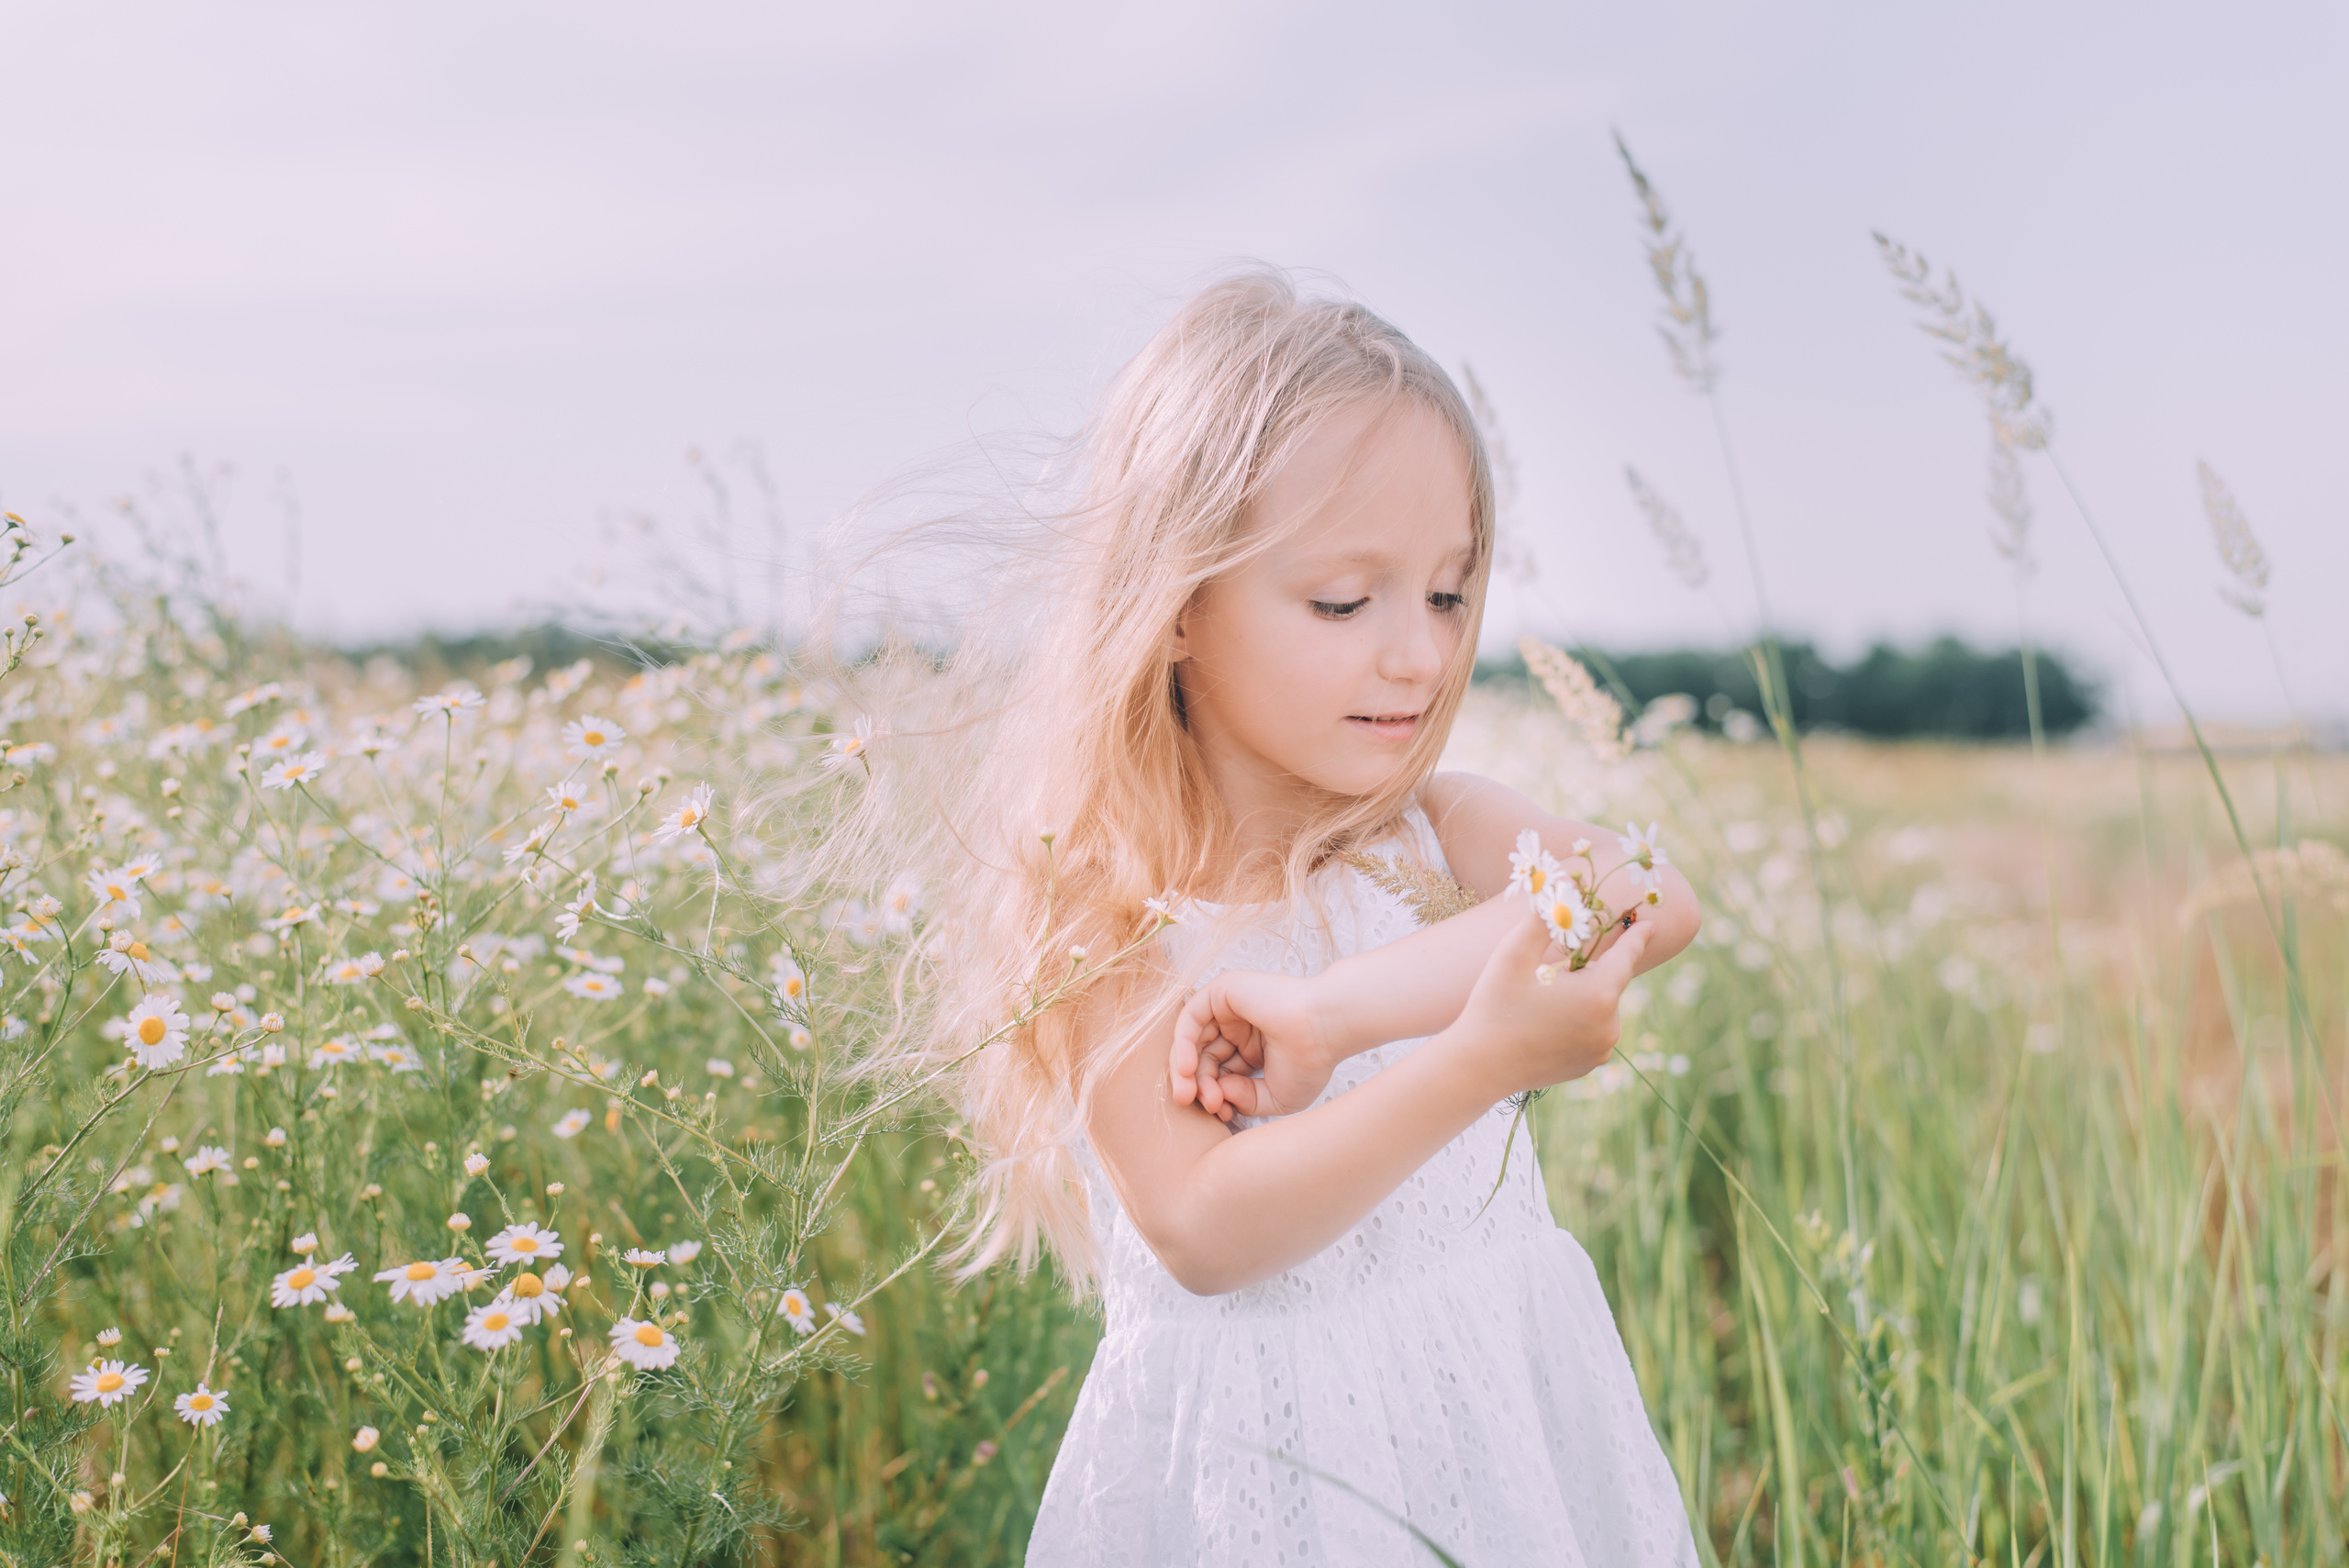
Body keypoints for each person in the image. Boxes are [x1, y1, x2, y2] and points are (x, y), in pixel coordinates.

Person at [848, 270, 1704, 1565]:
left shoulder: (1438, 832)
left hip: (1500, 1434)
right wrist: (1481, 1058)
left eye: (1450, 593)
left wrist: (1330, 1011)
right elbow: (1207, 1227)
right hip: (1261, 1486)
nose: (1416, 654)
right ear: (1179, 603)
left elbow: (1642, 892)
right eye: (1345, 601)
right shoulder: (1105, 913)